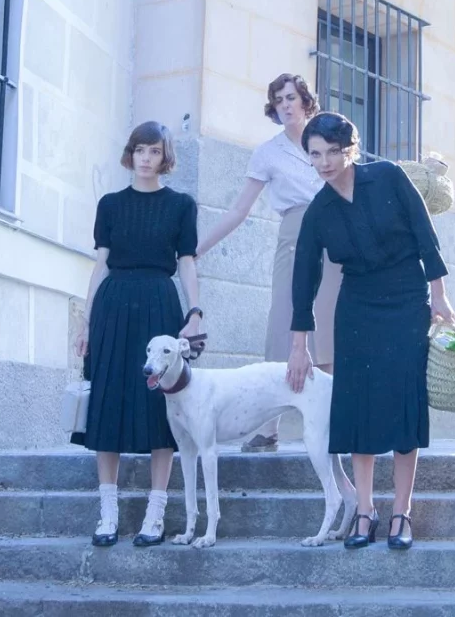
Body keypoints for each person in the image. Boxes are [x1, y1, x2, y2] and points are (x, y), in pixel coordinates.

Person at [286, 113, 455, 550]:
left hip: (404, 297)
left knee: (403, 403)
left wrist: (439, 294)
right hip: (357, 306)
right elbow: (303, 277)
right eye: (315, 154)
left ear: (351, 149)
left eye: (332, 152)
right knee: (357, 407)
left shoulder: (389, 177)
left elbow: (425, 234)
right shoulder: (318, 211)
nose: (323, 162)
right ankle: (365, 510)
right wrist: (299, 346)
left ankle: (402, 511)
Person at [197, 73, 343, 453]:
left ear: (306, 100)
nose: (286, 104)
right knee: (284, 320)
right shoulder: (267, 153)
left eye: (291, 96)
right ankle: (269, 428)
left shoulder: (327, 139)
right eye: (278, 99)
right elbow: (239, 209)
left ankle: (333, 423)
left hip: (337, 235)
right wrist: (198, 248)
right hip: (295, 235)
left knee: (328, 325)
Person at [73, 121, 203, 547]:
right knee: (106, 404)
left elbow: (186, 262)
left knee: (158, 411)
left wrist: (194, 312)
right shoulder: (110, 205)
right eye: (140, 150)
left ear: (165, 157)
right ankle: (107, 513)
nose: (147, 159)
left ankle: (155, 513)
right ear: (130, 153)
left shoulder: (182, 205)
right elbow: (100, 264)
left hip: (159, 305)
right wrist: (86, 321)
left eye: (155, 151)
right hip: (113, 306)